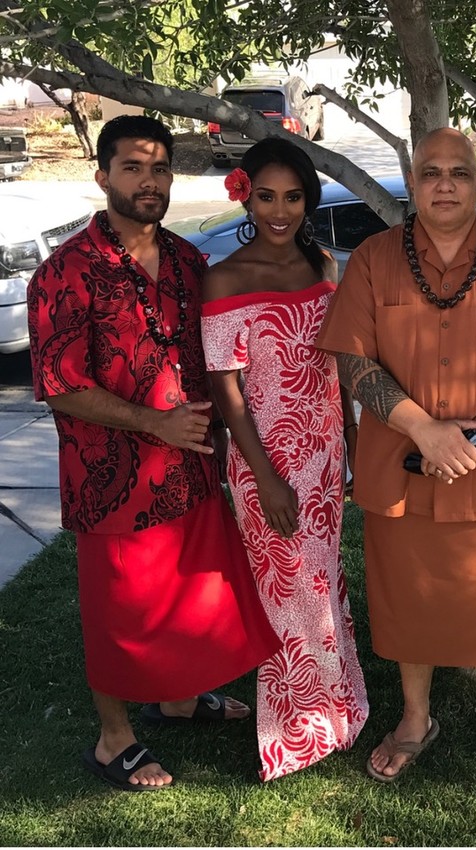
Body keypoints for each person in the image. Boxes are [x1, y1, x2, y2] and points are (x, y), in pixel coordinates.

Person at [26, 115, 281, 792]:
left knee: (192, 596)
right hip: (111, 481)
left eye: (160, 168)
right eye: (134, 167)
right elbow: (60, 384)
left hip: (191, 468)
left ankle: (176, 698)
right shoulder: (64, 274)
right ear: (103, 175)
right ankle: (114, 740)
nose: (149, 181)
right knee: (119, 613)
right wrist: (152, 423)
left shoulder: (189, 262)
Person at [317, 127, 476, 791]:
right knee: (409, 605)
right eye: (431, 173)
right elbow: (353, 358)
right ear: (414, 179)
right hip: (402, 467)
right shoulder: (370, 259)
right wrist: (426, 431)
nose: (446, 184)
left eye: (459, 172)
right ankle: (415, 718)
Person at [201, 137, 368, 782]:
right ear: (246, 195)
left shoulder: (323, 266)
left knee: (324, 582)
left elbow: (338, 365)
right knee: (286, 592)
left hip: (325, 452)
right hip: (265, 458)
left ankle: (340, 710)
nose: (280, 211)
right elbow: (228, 394)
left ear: (308, 199)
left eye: (293, 197)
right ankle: (294, 730)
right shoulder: (224, 278)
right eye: (266, 196)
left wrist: (351, 444)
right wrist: (266, 477)